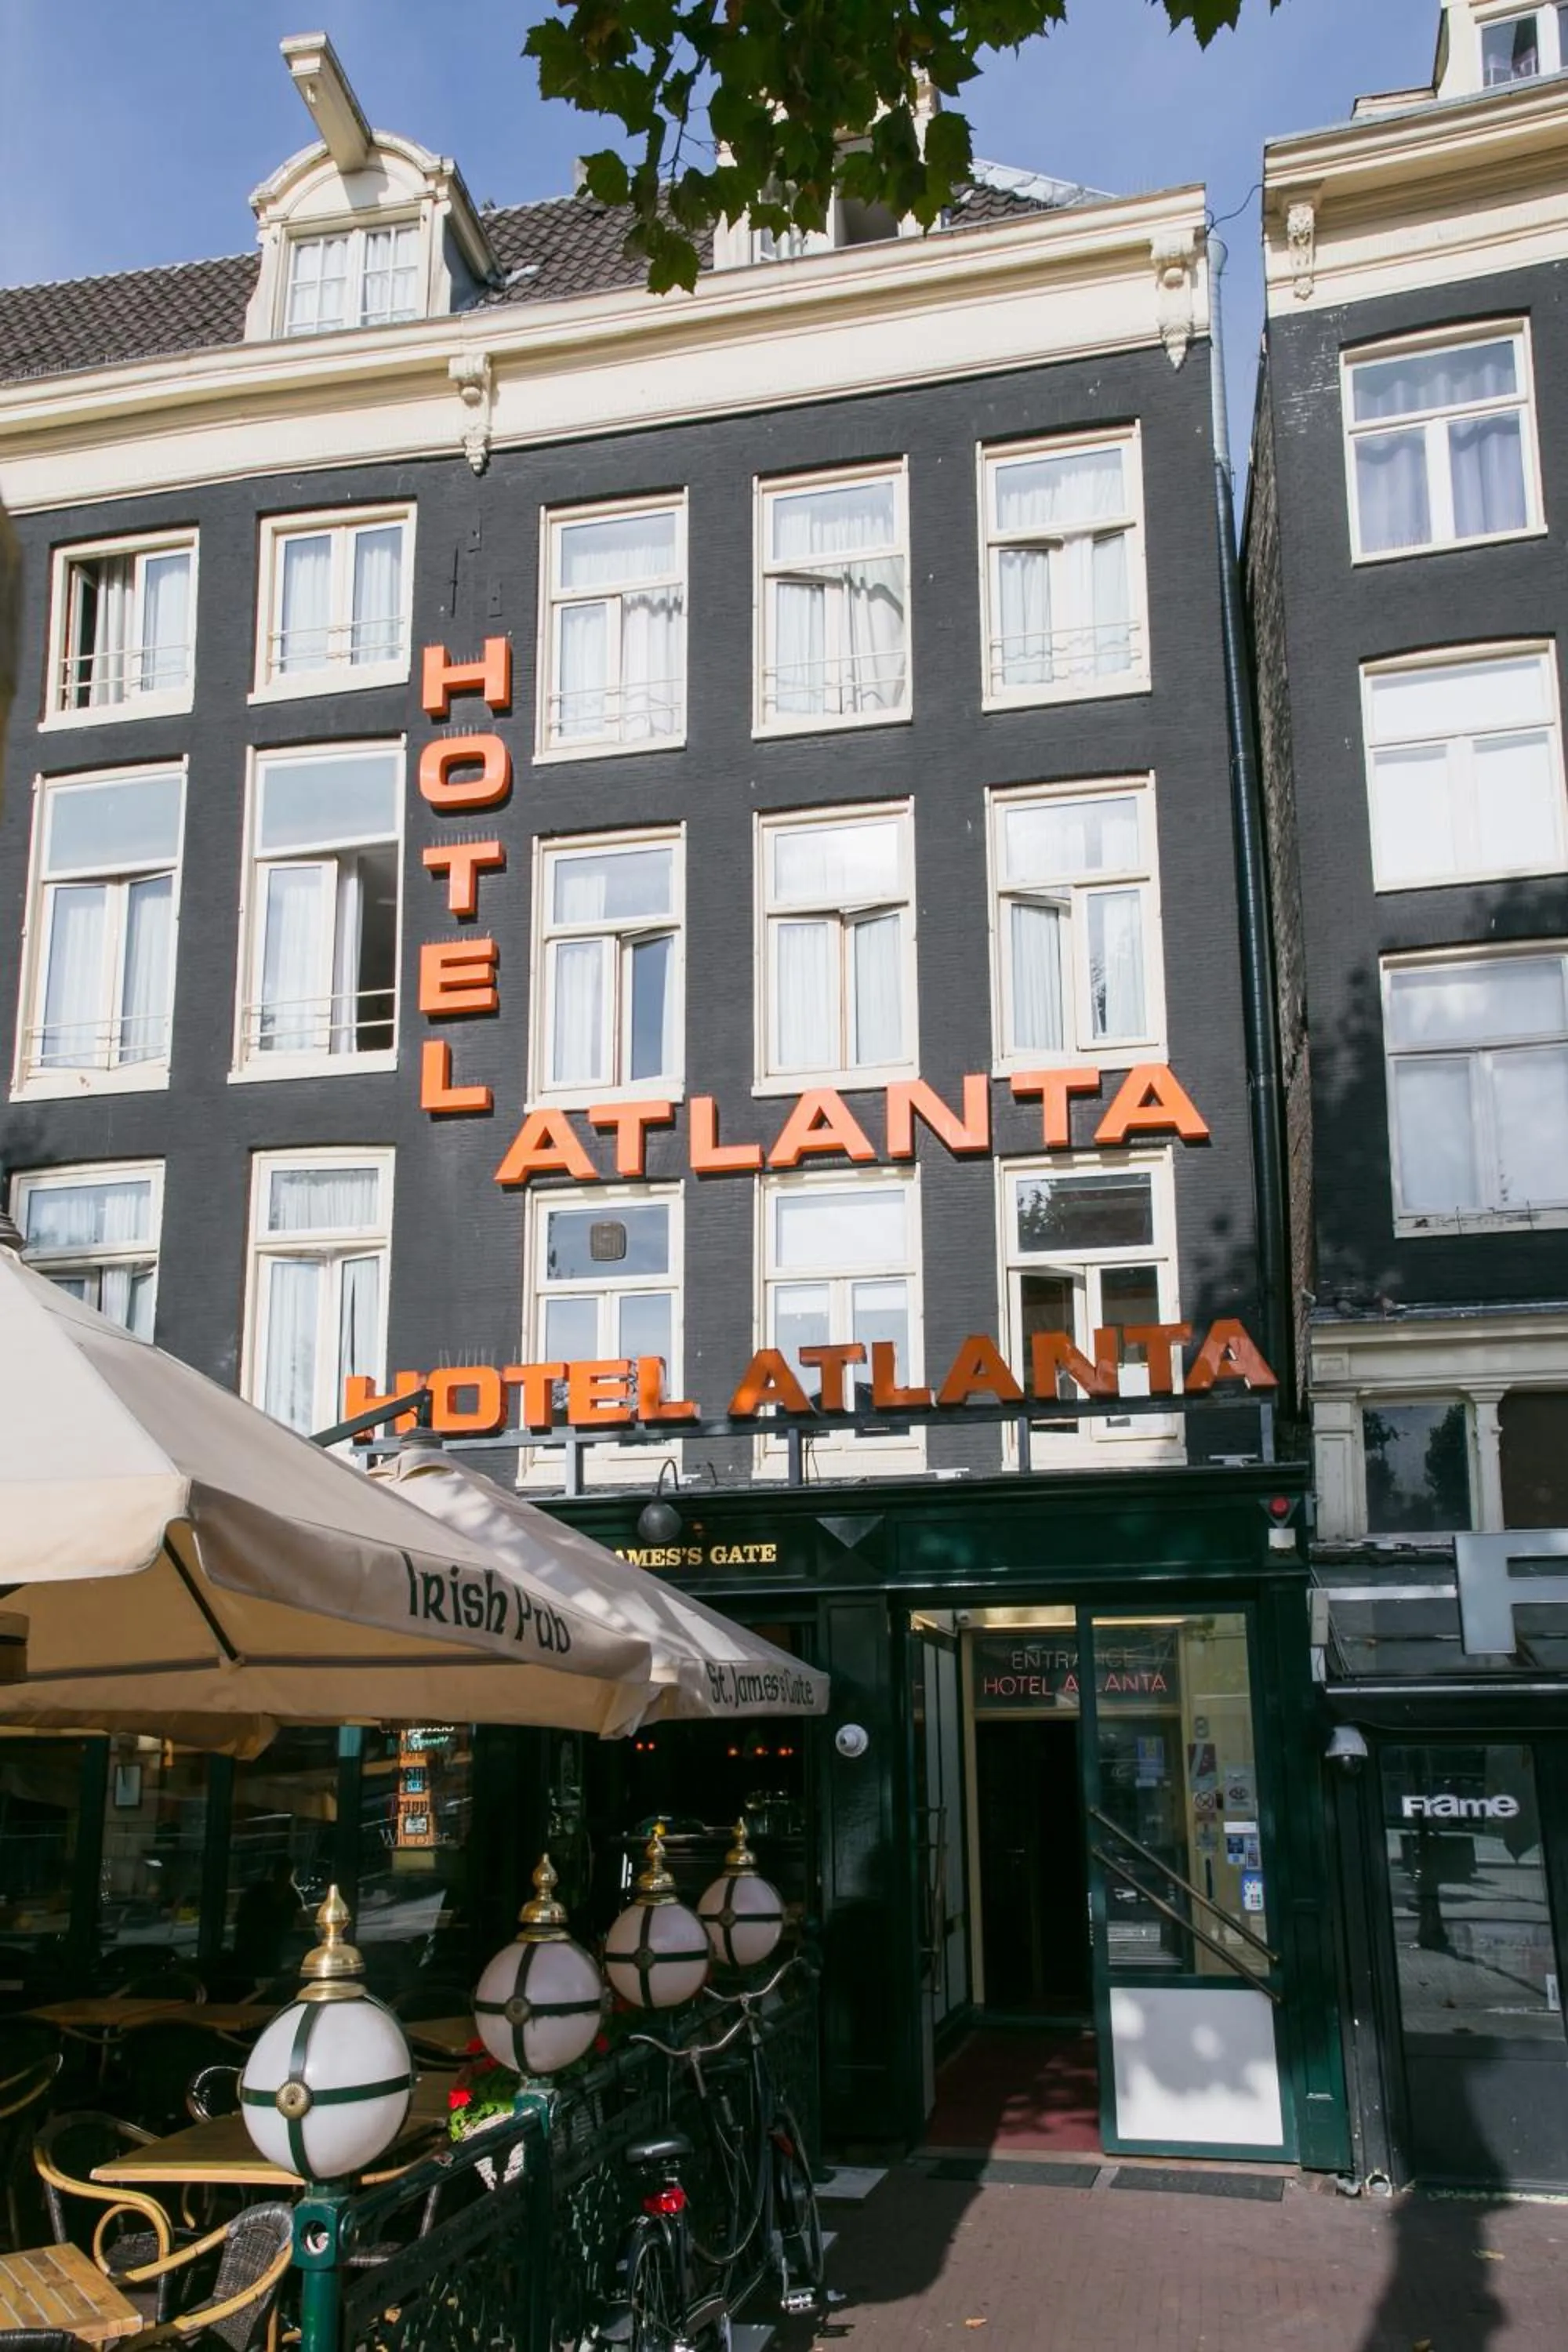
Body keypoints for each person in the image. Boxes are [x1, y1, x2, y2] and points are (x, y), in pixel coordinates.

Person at [234, 1857, 306, 1979]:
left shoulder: (292, 1896)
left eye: (287, 1875)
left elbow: (302, 1923)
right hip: (253, 1947)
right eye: (282, 1874)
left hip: (276, 1948)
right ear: (275, 1873)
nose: (284, 1879)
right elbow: (241, 1917)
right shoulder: (257, 1892)